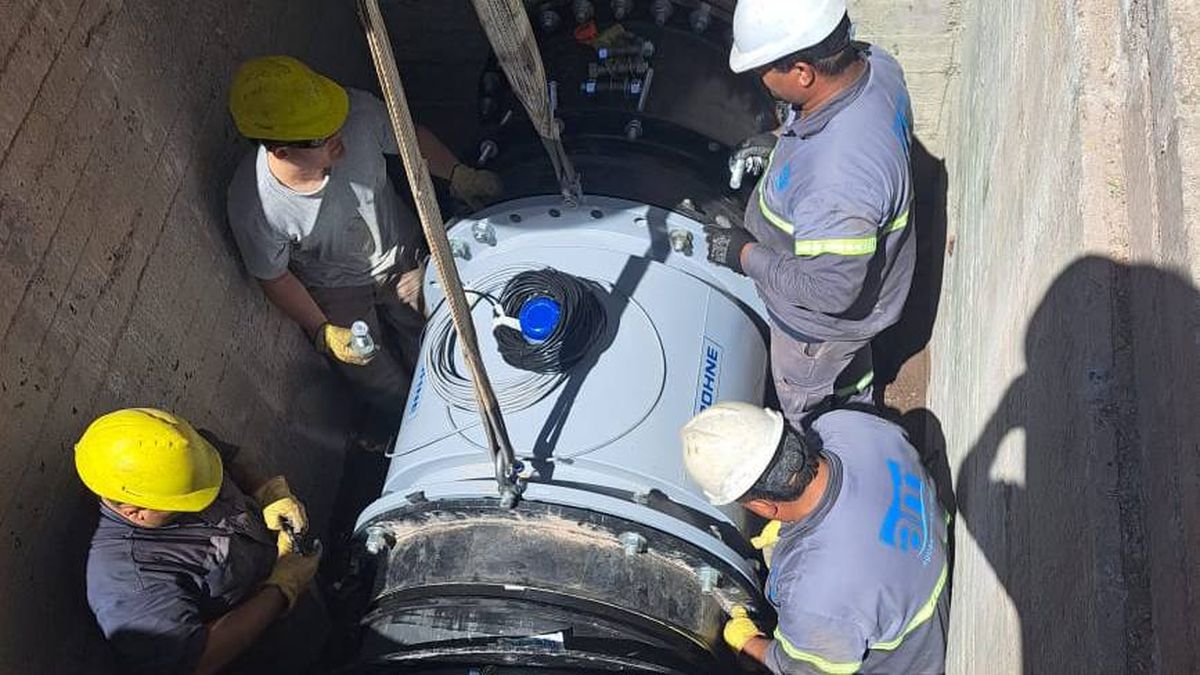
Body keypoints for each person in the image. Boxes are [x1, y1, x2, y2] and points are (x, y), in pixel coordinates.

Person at [226, 55, 502, 412]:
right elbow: (275, 276)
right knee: (376, 376)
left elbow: (409, 138)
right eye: (324, 136)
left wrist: (458, 174)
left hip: (402, 254)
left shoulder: (355, 114)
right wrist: (322, 330)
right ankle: (403, 422)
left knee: (440, 338)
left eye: (335, 121)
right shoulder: (256, 206)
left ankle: (455, 407)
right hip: (338, 289)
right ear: (282, 151)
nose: (339, 134)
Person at [703, 0, 916, 426]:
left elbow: (830, 293)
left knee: (806, 396)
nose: (760, 79)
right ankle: (858, 394)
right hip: (861, 307)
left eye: (765, 69)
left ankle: (836, 440)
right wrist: (780, 139)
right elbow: (827, 133)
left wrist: (743, 254)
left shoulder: (839, 181)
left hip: (815, 331)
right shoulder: (878, 66)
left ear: (803, 72)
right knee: (849, 363)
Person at [681, 402, 948, 674]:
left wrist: (746, 642)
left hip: (912, 662)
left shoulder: (816, 595)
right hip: (924, 567)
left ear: (765, 508)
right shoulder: (845, 425)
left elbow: (798, 669)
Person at [77, 408, 323, 674]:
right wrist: (282, 589)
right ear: (135, 511)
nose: (209, 494)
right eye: (190, 502)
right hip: (266, 655)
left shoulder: (172, 451)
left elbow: (226, 457)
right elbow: (194, 661)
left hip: (301, 608)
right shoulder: (130, 581)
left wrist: (268, 491)